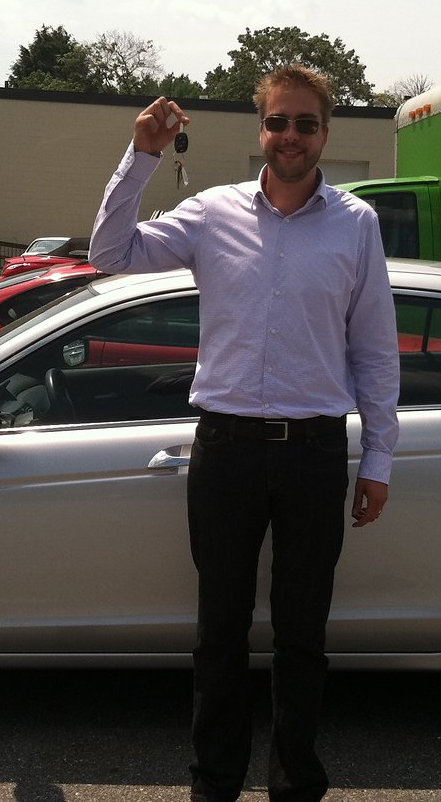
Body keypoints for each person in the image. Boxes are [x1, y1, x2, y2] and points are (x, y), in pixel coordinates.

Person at [88, 64, 400, 802]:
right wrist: (141, 155)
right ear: (261, 129)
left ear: (325, 134)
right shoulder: (210, 213)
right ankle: (214, 785)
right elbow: (110, 254)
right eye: (278, 121)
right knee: (219, 633)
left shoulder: (355, 223)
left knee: (302, 636)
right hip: (225, 450)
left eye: (306, 124)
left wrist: (379, 458)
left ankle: (296, 785)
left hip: (315, 452)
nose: (291, 136)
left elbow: (375, 349)